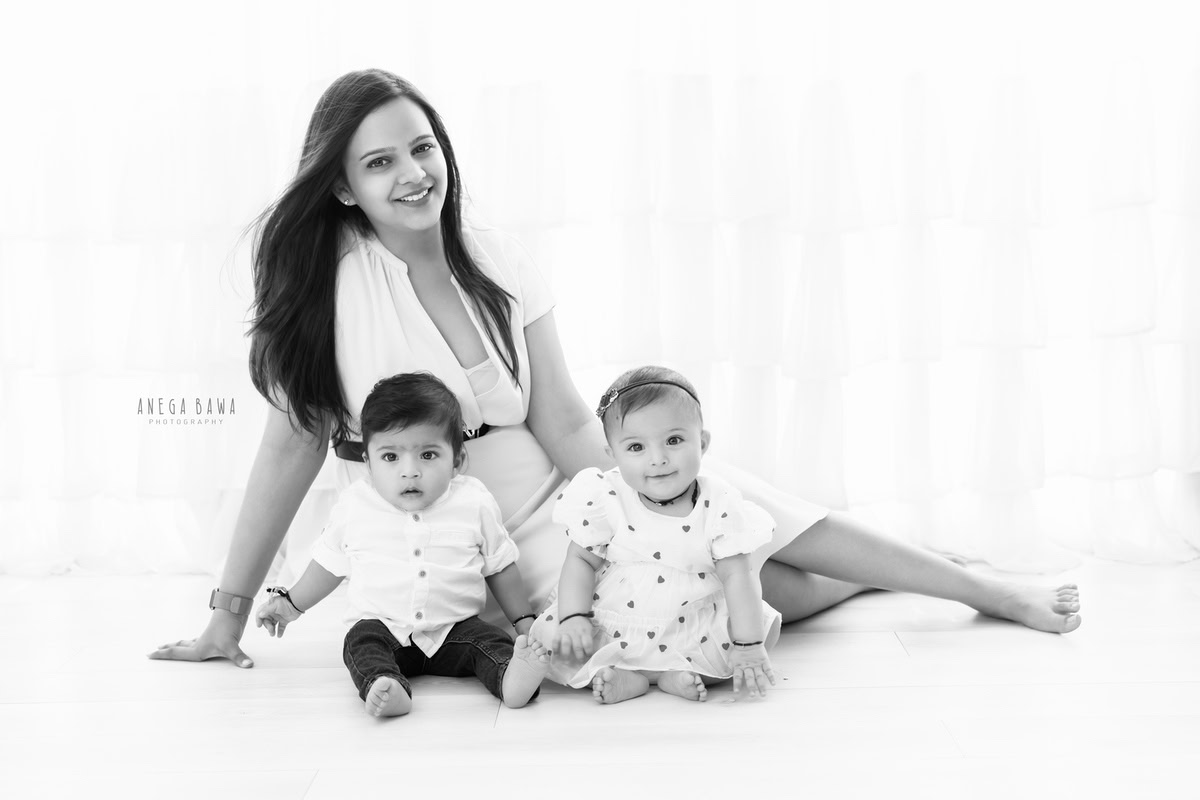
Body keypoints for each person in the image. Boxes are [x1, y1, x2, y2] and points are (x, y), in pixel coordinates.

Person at [149, 68, 1081, 672]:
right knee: (740, 596)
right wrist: (227, 616)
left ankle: (981, 590)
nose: (413, 174)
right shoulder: (330, 292)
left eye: (424, 148)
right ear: (343, 184)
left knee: (728, 518)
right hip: (490, 539)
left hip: (567, 489)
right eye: (381, 160)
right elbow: (286, 455)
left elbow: (558, 418)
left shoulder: (495, 258)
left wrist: (638, 499)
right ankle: (895, 571)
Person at [253, 373, 550, 716]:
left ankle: (511, 680)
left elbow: (499, 565)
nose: (410, 471)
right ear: (369, 462)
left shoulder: (473, 502)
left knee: (492, 642)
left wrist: (524, 621)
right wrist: (291, 604)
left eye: (428, 454)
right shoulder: (356, 505)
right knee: (359, 644)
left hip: (455, 630)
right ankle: (385, 685)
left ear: (457, 460)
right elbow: (329, 564)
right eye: (391, 457)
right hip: (383, 626)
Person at [534, 366, 780, 704]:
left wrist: (748, 644)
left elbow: (738, 574)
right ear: (614, 456)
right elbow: (580, 559)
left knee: (752, 636)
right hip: (621, 612)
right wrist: (574, 616)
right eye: (636, 447)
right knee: (563, 643)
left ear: (702, 442)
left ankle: (672, 676)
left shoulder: (718, 501)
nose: (658, 459)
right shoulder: (606, 495)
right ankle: (628, 678)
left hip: (692, 611)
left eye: (674, 441)